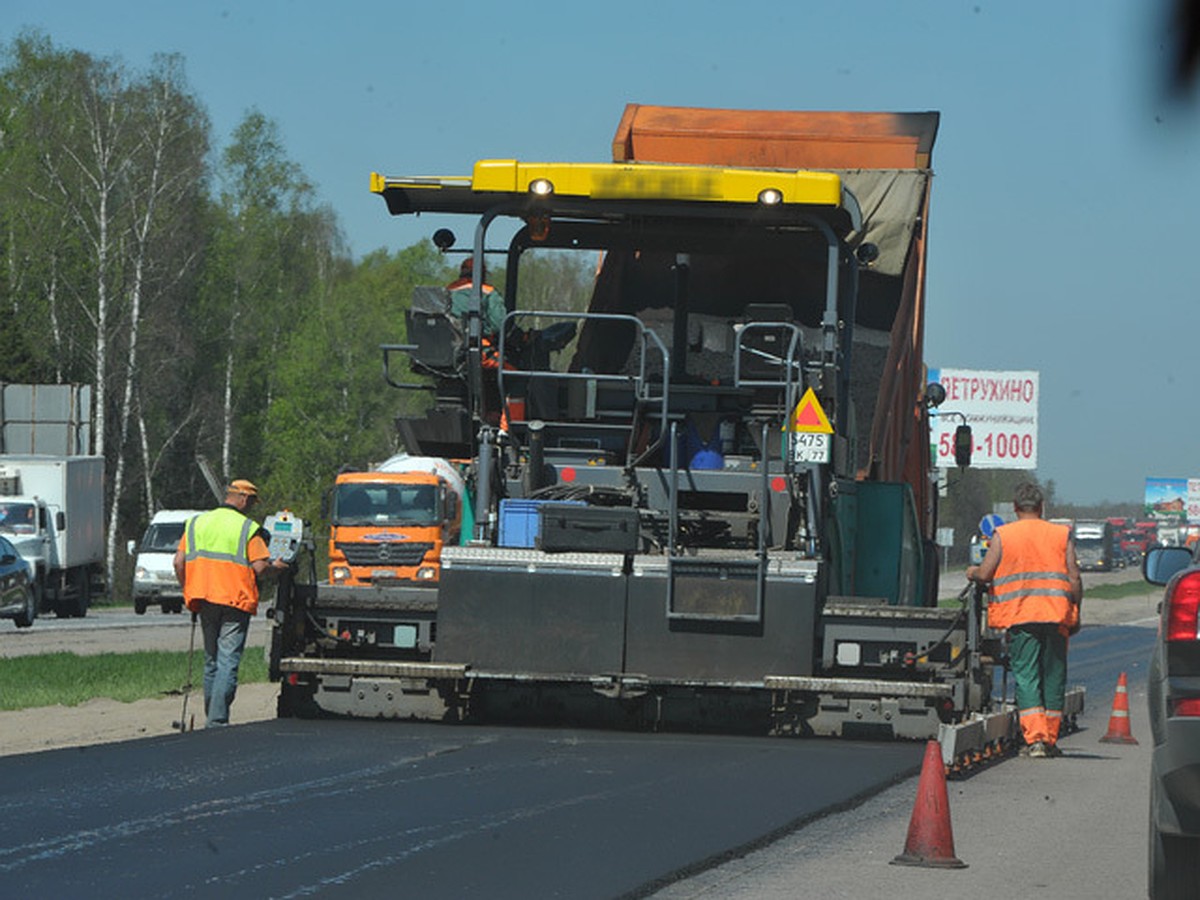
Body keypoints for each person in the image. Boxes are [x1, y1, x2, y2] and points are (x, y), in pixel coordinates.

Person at [966, 482, 1082, 759]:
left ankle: (1037, 740)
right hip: (1056, 616)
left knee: (1027, 677)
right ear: (1041, 507)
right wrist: (1076, 611)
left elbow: (986, 573)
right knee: (1053, 677)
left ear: (1016, 508)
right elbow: (1074, 577)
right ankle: (1051, 739)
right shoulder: (1060, 534)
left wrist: (972, 572)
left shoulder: (1004, 535)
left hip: (1021, 616)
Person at [173, 479, 286, 727]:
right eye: (253, 502)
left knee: (211, 660)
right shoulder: (247, 528)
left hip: (204, 599)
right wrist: (276, 567)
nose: (252, 507)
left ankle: (212, 716)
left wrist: (187, 590)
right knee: (227, 662)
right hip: (235, 601)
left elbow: (178, 562)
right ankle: (217, 721)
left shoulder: (196, 524)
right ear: (244, 499)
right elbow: (259, 568)